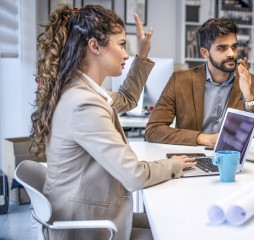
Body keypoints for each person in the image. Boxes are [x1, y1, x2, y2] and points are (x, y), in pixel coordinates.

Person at [30, 5, 196, 240]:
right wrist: (173, 165)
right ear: (94, 46)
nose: (126, 54)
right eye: (121, 44)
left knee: (171, 222)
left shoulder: (79, 90)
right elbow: (135, 176)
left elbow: (127, 99)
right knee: (172, 231)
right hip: (86, 225)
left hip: (84, 212)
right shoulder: (83, 104)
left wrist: (143, 55)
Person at [144, 18, 254, 147]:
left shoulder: (252, 82)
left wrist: (249, 99)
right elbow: (153, 130)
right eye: (222, 48)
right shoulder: (180, 81)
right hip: (192, 158)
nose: (231, 54)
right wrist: (203, 139)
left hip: (232, 159)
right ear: (205, 52)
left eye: (234, 47)